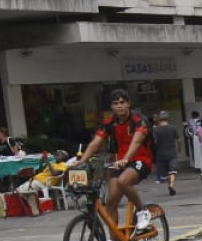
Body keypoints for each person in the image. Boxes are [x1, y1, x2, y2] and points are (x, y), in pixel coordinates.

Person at [76, 89, 154, 223]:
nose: (119, 106)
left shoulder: (139, 120)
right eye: (115, 103)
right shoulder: (109, 123)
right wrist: (81, 162)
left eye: (122, 102)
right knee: (111, 201)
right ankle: (114, 240)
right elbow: (95, 144)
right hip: (120, 163)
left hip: (141, 160)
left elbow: (137, 141)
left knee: (123, 181)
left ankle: (142, 211)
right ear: (111, 107)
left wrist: (126, 159)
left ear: (129, 104)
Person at [149, 110, 178, 196]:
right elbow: (178, 140)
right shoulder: (173, 128)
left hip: (160, 154)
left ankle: (169, 185)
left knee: (165, 174)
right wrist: (178, 148)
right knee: (172, 170)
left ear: (159, 119)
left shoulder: (155, 130)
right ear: (167, 118)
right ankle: (172, 185)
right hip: (172, 152)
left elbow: (153, 142)